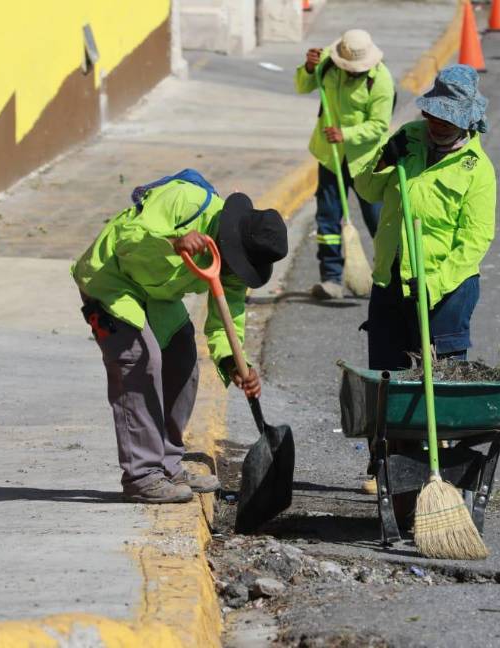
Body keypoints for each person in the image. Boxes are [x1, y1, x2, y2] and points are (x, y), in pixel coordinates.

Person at [72, 181, 287, 503]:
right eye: (234, 260)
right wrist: (173, 242)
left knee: (183, 359)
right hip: (111, 281)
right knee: (139, 362)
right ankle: (142, 476)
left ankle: (167, 464)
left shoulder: (232, 268)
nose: (231, 269)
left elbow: (227, 322)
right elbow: (128, 240)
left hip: (157, 294)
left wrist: (234, 362)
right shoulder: (186, 200)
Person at [355, 64, 496, 370]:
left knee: (438, 382)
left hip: (444, 292)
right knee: (385, 381)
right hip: (390, 281)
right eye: (433, 117)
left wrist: (433, 285)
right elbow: (367, 191)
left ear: (465, 121)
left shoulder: (477, 168)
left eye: (447, 120)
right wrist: (382, 161)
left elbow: (475, 239)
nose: (437, 125)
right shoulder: (408, 138)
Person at [295, 29, 395, 299]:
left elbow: (379, 125)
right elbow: (303, 86)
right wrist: (308, 68)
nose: (351, 73)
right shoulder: (328, 63)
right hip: (331, 158)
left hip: (366, 162)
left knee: (379, 221)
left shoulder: (381, 81)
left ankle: (390, 276)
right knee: (327, 218)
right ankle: (331, 279)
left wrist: (346, 134)